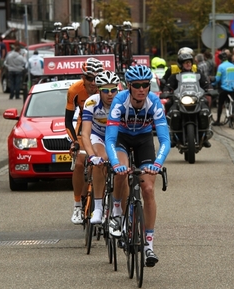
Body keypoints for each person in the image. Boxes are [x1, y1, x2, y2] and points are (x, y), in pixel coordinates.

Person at [105, 65, 171, 267]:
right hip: (122, 139)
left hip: (143, 140)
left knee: (148, 188)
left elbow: (165, 140)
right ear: (129, 86)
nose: (142, 89)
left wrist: (157, 164)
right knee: (122, 172)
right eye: (137, 85)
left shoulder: (154, 103)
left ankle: (148, 245)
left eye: (145, 85)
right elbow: (109, 139)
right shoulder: (119, 101)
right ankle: (117, 211)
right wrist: (116, 164)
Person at [65, 57, 104, 224]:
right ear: (83, 77)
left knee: (105, 163)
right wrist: (74, 141)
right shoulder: (74, 90)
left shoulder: (107, 88)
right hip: (85, 127)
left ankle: (105, 203)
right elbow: (68, 120)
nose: (93, 83)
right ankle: (77, 206)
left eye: (96, 78)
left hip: (103, 126)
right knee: (80, 163)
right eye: (89, 78)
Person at [81, 70, 121, 224]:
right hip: (98, 136)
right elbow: (85, 134)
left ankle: (122, 208)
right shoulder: (91, 102)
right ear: (99, 90)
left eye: (113, 90)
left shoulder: (123, 101)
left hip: (117, 136)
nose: (110, 94)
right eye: (105, 90)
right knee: (101, 160)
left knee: (122, 167)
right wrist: (92, 156)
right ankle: (98, 208)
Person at [167, 53, 212, 147]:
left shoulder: (198, 75)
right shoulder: (175, 76)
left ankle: (204, 136)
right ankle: (173, 135)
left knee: (205, 109)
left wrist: (210, 89)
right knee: (171, 109)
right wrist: (166, 91)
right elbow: (168, 86)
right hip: (180, 99)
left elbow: (206, 85)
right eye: (185, 62)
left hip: (197, 99)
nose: (188, 64)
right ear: (181, 64)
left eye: (189, 62)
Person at [211, 52, 234, 126]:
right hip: (233, 87)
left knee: (220, 104)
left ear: (220, 59)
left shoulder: (221, 66)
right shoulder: (233, 65)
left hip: (224, 88)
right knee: (231, 102)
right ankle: (232, 119)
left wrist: (213, 84)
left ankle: (218, 120)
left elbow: (217, 78)